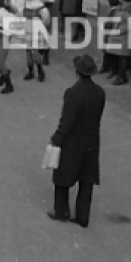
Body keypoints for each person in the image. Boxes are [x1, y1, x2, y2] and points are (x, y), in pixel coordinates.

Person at [47, 55, 107, 228]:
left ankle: (62, 210)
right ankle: (82, 216)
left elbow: (67, 121)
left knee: (62, 176)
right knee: (86, 179)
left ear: (77, 72)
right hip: (91, 140)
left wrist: (56, 139)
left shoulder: (72, 93)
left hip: (73, 141)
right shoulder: (100, 93)